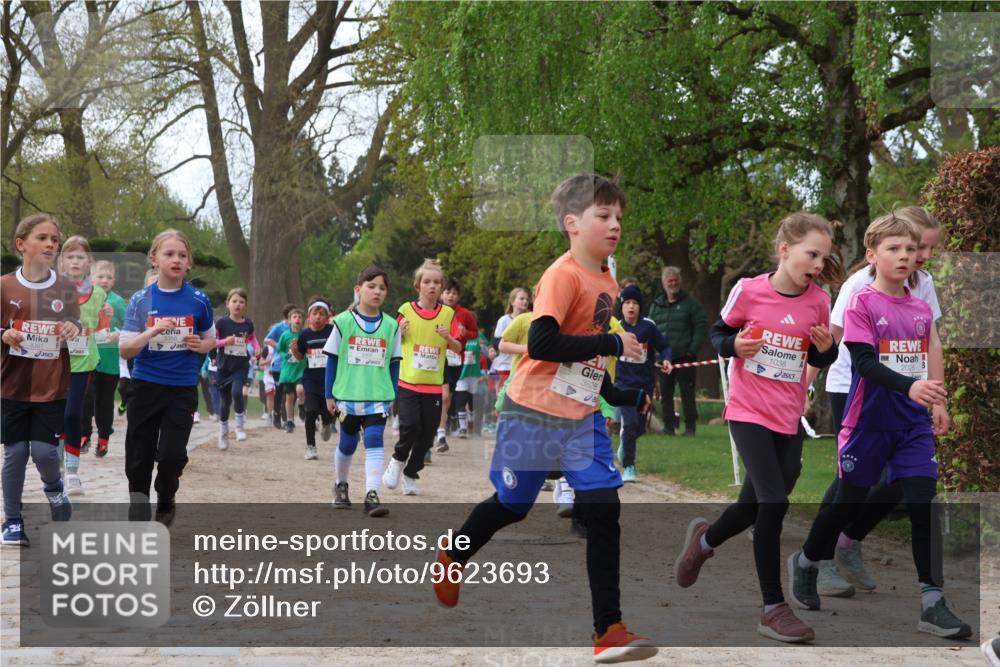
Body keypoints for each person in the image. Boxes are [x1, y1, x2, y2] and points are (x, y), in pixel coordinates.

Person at [433, 174, 658, 664]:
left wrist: (617, 392)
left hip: (581, 416)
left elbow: (583, 361)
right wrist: (612, 343)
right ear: (572, 224)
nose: (615, 224)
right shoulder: (563, 275)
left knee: (604, 510)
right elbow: (542, 344)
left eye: (619, 216)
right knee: (513, 505)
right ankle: (453, 552)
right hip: (532, 411)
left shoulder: (606, 278)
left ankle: (609, 630)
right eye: (604, 216)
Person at [786, 213, 971, 639]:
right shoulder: (861, 302)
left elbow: (933, 346)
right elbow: (865, 365)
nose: (905, 256)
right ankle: (808, 560)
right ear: (872, 255)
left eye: (911, 249)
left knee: (924, 500)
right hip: (868, 422)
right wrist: (912, 387)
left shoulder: (922, 305)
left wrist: (935, 399)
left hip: (912, 426)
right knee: (848, 501)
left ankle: (932, 602)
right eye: (894, 249)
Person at [675, 212, 842, 643]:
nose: (818, 265)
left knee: (755, 504)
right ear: (785, 250)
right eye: (812, 254)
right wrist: (733, 345)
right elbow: (717, 334)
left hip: (788, 417)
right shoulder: (749, 290)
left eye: (823, 257)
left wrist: (826, 352)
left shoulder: (819, 301)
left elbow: (818, 359)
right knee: (772, 503)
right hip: (748, 411)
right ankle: (773, 607)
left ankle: (705, 542)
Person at [817, 206, 946, 595]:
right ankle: (819, 560)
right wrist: (802, 386)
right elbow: (832, 336)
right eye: (916, 246)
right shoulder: (860, 285)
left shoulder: (922, 283)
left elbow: (932, 342)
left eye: (925, 249)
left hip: (908, 391)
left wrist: (938, 396)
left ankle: (848, 541)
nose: (920, 256)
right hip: (854, 387)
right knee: (852, 479)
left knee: (899, 480)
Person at [119, 229, 216, 526]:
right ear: (154, 259)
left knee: (173, 456)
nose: (176, 259)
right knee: (139, 454)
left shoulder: (199, 301)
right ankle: (138, 505)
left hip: (182, 388)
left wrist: (203, 345)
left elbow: (211, 337)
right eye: (169, 254)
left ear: (189, 263)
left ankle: (166, 495)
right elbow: (124, 350)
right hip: (146, 385)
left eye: (182, 255)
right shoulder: (140, 300)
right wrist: (151, 332)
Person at [1, 214, 79, 545]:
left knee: (46, 453)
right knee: (16, 453)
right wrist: (5, 335)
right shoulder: (3, 286)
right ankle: (12, 521)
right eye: (43, 238)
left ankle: (54, 488)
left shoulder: (64, 287)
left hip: (52, 386)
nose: (50, 244)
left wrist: (72, 330)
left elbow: (77, 333)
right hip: (11, 386)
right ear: (22, 244)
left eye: (55, 240)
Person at [324, 267, 402, 516]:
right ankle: (341, 485)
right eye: (371, 286)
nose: (377, 291)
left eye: (382, 287)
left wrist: (393, 395)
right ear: (359, 290)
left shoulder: (391, 326)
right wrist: (329, 395)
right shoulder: (343, 322)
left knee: (374, 440)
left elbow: (395, 363)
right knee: (347, 443)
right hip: (347, 396)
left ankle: (372, 494)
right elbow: (332, 360)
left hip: (378, 398)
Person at [382, 259, 461, 495]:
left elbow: (458, 348)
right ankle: (397, 461)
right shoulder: (405, 311)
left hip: (433, 386)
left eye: (437, 282)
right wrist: (400, 331)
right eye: (427, 282)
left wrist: (448, 338)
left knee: (427, 435)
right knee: (409, 426)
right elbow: (390, 343)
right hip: (408, 382)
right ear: (418, 286)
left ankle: (410, 472)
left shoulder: (447, 314)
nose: (432, 286)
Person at [59, 236, 108, 495]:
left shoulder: (99, 293)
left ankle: (72, 471)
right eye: (70, 256)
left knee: (72, 414)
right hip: (54, 361)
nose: (75, 261)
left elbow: (99, 327)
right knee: (57, 415)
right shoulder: (51, 289)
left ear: (89, 262)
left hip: (83, 360)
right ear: (62, 261)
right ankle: (57, 464)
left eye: (80, 257)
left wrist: (106, 324)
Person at [614, 284, 672, 482]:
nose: (631, 307)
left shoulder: (648, 326)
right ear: (621, 306)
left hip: (644, 385)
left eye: (635, 303)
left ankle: (625, 443)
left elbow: (665, 346)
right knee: (629, 424)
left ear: (640, 307)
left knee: (638, 428)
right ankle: (629, 466)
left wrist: (667, 359)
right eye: (627, 303)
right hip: (622, 384)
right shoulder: (615, 327)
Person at [647, 266, 706, 436]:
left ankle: (690, 427)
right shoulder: (656, 305)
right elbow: (651, 329)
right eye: (669, 281)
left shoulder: (691, 304)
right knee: (665, 394)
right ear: (664, 283)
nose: (673, 284)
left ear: (679, 282)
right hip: (663, 358)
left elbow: (701, 325)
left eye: (675, 280)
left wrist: (692, 350)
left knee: (687, 393)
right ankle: (668, 427)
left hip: (684, 356)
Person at [81, 260, 126, 458]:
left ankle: (104, 438)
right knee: (85, 398)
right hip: (87, 357)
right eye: (100, 276)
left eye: (108, 277)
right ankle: (84, 434)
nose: (104, 280)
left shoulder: (118, 302)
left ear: (114, 281)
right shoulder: (83, 298)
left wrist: (118, 333)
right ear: (91, 278)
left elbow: (130, 328)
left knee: (105, 402)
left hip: (109, 360)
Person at [214, 288, 260, 450]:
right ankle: (223, 432)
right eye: (234, 301)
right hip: (224, 367)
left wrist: (257, 348)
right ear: (228, 304)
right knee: (225, 402)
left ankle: (240, 426)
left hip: (240, 366)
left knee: (236, 392)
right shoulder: (221, 323)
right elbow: (212, 341)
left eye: (241, 301)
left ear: (245, 305)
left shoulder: (248, 324)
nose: (237, 304)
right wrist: (224, 342)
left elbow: (252, 338)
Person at [435, 277, 477, 454]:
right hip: (437, 358)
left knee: (447, 397)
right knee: (443, 397)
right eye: (447, 292)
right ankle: (440, 434)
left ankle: (439, 430)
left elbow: (475, 333)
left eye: (454, 293)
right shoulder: (435, 311)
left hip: (455, 359)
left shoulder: (465, 314)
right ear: (441, 294)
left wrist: (465, 332)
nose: (451, 296)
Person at [294, 297, 334, 461]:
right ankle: (311, 446)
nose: (318, 317)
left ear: (327, 317)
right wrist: (295, 350)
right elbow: (299, 357)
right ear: (309, 317)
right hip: (311, 379)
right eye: (315, 313)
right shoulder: (304, 334)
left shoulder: (332, 331)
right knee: (310, 412)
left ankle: (326, 422)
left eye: (322, 314)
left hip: (330, 379)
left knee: (327, 412)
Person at [264, 304, 297, 429]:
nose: (297, 318)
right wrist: (280, 346)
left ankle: (287, 417)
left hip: (294, 365)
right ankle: (276, 415)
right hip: (279, 364)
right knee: (279, 391)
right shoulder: (280, 327)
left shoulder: (298, 329)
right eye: (294, 316)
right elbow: (267, 340)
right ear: (288, 317)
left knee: (292, 392)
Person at [491, 287, 531, 389]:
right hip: (505, 365)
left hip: (522, 366)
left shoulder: (530, 320)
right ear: (513, 301)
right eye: (521, 299)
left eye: (527, 299)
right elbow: (497, 342)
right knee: (503, 399)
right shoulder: (504, 320)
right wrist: (518, 347)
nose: (525, 301)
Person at [277, 308, 306, 434]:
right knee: (289, 397)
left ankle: (301, 404)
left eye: (300, 317)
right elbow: (280, 349)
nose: (297, 319)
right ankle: (289, 421)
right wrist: (285, 356)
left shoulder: (305, 334)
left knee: (300, 390)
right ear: (289, 320)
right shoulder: (285, 335)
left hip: (301, 369)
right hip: (288, 371)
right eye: (295, 317)